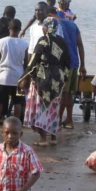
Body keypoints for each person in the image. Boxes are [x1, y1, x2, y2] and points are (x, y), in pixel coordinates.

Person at [23, 17, 69, 147]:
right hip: (57, 78)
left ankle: (43, 138)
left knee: (41, 106)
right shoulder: (62, 42)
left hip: (43, 77)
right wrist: (63, 78)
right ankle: (53, 136)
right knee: (54, 107)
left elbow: (34, 60)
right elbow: (68, 62)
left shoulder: (43, 41)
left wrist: (25, 76)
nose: (42, 28)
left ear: (46, 28)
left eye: (43, 26)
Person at [0, 19, 29, 136]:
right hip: (18, 78)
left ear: (9, 29)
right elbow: (26, 63)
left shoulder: (0, 42)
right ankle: (16, 130)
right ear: (20, 29)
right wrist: (26, 78)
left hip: (3, 77)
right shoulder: (24, 44)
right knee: (17, 104)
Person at [0, 117, 43, 191]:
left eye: (15, 133)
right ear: (2, 132)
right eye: (7, 133)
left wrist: (23, 190)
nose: (10, 136)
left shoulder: (27, 152)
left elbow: (36, 173)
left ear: (20, 134)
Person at [59, 13, 85, 129]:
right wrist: (83, 64)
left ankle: (58, 120)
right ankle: (69, 119)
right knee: (69, 93)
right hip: (75, 63)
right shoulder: (73, 25)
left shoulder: (57, 25)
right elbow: (80, 45)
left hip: (64, 64)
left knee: (63, 93)